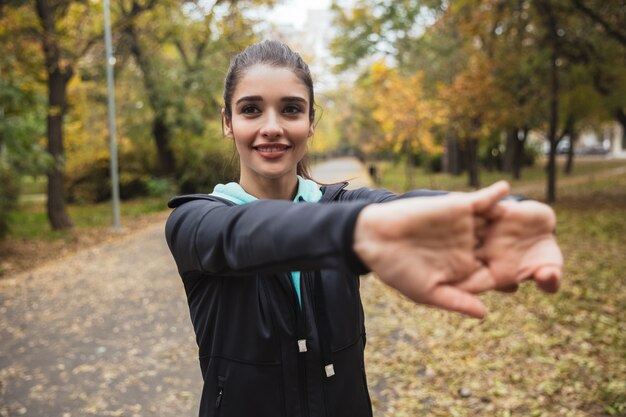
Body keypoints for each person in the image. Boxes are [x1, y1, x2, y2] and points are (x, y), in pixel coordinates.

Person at [164, 40, 562, 417]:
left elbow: (407, 206)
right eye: (251, 109)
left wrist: (508, 213)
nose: (272, 126)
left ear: (310, 122)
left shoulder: (343, 205)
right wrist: (364, 232)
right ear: (228, 122)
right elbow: (241, 234)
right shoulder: (195, 221)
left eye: (290, 109)